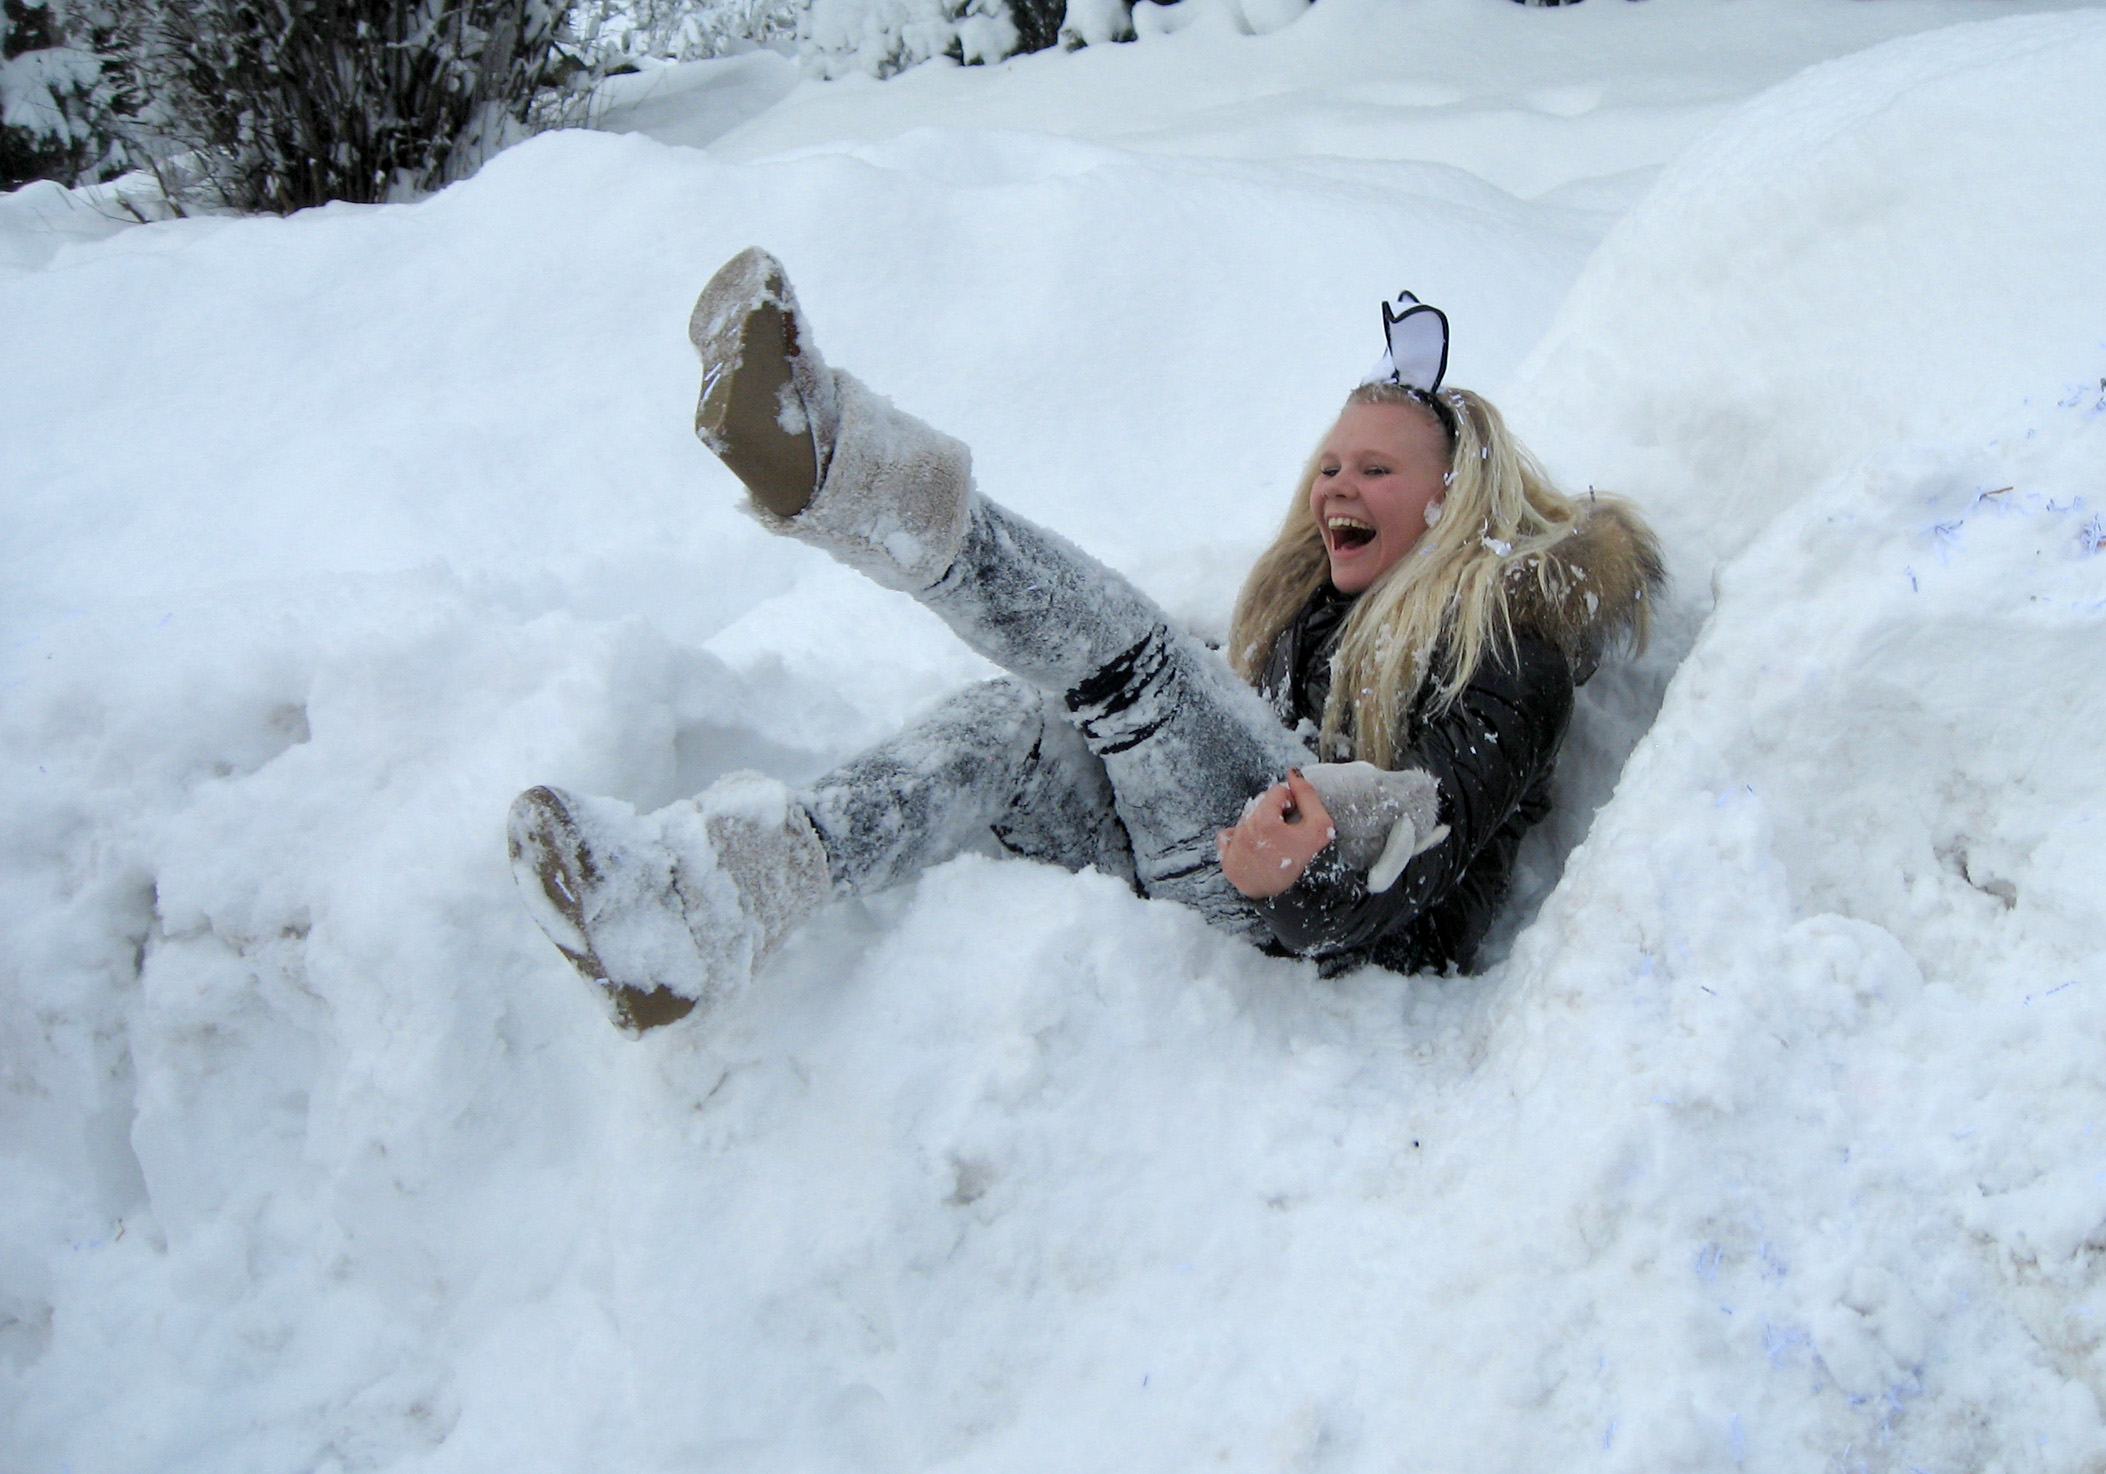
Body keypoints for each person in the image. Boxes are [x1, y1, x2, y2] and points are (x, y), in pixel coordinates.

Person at [507, 249, 1662, 1034]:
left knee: (1132, 662)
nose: (1333, 488)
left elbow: (1428, 829)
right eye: (1326, 464)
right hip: (1229, 878)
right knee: (1014, 727)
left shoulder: (1508, 651)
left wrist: (1306, 873)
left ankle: (845, 471)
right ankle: (704, 902)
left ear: (1450, 497)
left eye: (1374, 468)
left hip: (1335, 949)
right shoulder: (1316, 613)